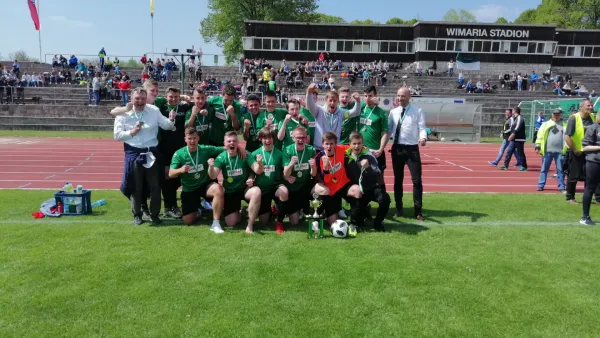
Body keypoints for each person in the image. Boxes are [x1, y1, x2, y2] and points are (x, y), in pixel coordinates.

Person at [113, 87, 176, 225]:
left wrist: (171, 121)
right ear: (131, 98)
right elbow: (117, 135)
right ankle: (137, 215)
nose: (140, 101)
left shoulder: (153, 110)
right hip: (133, 153)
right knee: (136, 186)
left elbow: (165, 124)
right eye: (137, 98)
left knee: (155, 186)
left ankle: (155, 215)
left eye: (142, 98)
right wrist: (132, 132)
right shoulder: (123, 113)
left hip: (152, 152)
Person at [168, 127, 225, 232]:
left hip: (205, 185)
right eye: (189, 138)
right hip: (189, 189)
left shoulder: (205, 149)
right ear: (185, 139)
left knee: (218, 189)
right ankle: (198, 210)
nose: (192, 141)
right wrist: (180, 169)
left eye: (194, 138)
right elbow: (171, 173)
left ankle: (216, 223)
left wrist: (240, 149)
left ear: (198, 138)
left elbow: (224, 148)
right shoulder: (179, 154)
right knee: (188, 221)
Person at [209, 131, 261, 233]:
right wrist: (211, 167)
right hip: (230, 192)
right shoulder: (221, 157)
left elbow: (257, 170)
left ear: (238, 142)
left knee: (256, 191)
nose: (231, 143)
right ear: (225, 144)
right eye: (229, 141)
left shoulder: (245, 154)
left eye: (234, 141)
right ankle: (242, 212)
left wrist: (259, 163)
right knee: (231, 222)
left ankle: (250, 225)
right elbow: (213, 175)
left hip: (245, 188)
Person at [388, 87, 427, 220]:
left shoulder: (417, 111)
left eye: (403, 96)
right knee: (398, 180)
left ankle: (418, 211)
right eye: (398, 96)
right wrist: (380, 146)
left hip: (412, 149)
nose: (400, 98)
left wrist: (423, 138)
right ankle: (399, 208)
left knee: (417, 181)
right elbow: (388, 131)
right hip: (397, 149)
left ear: (409, 96)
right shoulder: (393, 112)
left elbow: (422, 127)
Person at [314, 132, 363, 227]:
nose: (329, 146)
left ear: (336, 144)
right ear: (322, 144)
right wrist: (326, 168)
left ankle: (355, 222)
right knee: (333, 222)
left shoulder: (341, 149)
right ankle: (322, 214)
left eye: (331, 143)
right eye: (327, 144)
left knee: (357, 190)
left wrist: (367, 151)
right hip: (330, 190)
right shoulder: (320, 157)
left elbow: (355, 148)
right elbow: (326, 180)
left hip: (343, 185)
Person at [344, 132, 390, 232]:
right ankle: (362, 213)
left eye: (359, 143)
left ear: (362, 143)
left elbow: (377, 175)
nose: (357, 146)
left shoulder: (369, 156)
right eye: (354, 143)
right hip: (356, 190)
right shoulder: (345, 156)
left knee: (385, 199)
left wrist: (368, 168)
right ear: (350, 144)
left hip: (370, 188)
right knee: (358, 221)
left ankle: (377, 223)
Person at [247, 127, 289, 234]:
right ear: (260, 139)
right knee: (263, 222)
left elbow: (285, 170)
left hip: (275, 187)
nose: (267, 140)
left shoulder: (280, 153)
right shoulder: (255, 153)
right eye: (264, 138)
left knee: (284, 191)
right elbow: (252, 172)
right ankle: (271, 211)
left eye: (270, 138)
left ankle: (279, 222)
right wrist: (250, 178)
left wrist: (288, 175)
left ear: (273, 139)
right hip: (262, 189)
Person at [304, 83, 361, 151]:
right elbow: (310, 105)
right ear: (326, 100)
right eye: (330, 100)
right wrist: (309, 92)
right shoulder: (319, 111)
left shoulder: (341, 113)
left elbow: (355, 112)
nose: (332, 103)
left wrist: (358, 101)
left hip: (334, 149)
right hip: (319, 148)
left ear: (338, 102)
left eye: (335, 101)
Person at [282, 125, 317, 225]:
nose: (301, 140)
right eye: (298, 137)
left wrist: (313, 166)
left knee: (318, 190)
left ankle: (313, 210)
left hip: (305, 186)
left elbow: (313, 174)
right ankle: (296, 210)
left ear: (306, 138)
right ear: (293, 138)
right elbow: (285, 173)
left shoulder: (311, 150)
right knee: (294, 222)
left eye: (303, 137)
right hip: (292, 188)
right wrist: (291, 164)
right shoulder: (288, 150)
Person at [564, 99, 596, 204]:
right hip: (577, 152)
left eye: (591, 105)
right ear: (581, 107)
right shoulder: (574, 118)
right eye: (588, 105)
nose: (591, 107)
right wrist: (575, 150)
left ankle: (592, 198)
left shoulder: (592, 117)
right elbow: (567, 136)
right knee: (574, 176)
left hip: (590, 152)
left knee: (591, 176)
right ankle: (570, 197)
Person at [358, 86, 389, 181]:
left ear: (375, 96)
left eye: (370, 96)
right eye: (365, 96)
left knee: (379, 179)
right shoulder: (360, 109)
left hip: (375, 151)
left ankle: (382, 196)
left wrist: (381, 149)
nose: (368, 98)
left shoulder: (381, 112)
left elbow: (384, 132)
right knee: (360, 178)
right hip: (361, 150)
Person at [535, 109, 566, 192]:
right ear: (552, 115)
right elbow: (540, 135)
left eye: (558, 114)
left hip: (560, 151)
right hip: (547, 150)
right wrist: (537, 145)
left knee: (560, 170)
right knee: (544, 169)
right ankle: (540, 185)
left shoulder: (564, 125)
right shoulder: (546, 124)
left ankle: (561, 186)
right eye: (554, 114)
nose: (556, 116)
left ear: (560, 115)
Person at [580, 115, 600, 225]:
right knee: (590, 188)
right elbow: (585, 147)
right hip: (594, 162)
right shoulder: (593, 128)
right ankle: (585, 217)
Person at [498, 107, 528, 171]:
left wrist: (512, 135)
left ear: (515, 111)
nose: (512, 112)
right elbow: (512, 128)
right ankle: (505, 165)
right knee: (509, 151)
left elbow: (517, 127)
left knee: (520, 153)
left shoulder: (520, 118)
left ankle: (524, 166)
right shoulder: (515, 118)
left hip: (519, 139)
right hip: (514, 139)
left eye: (513, 111)